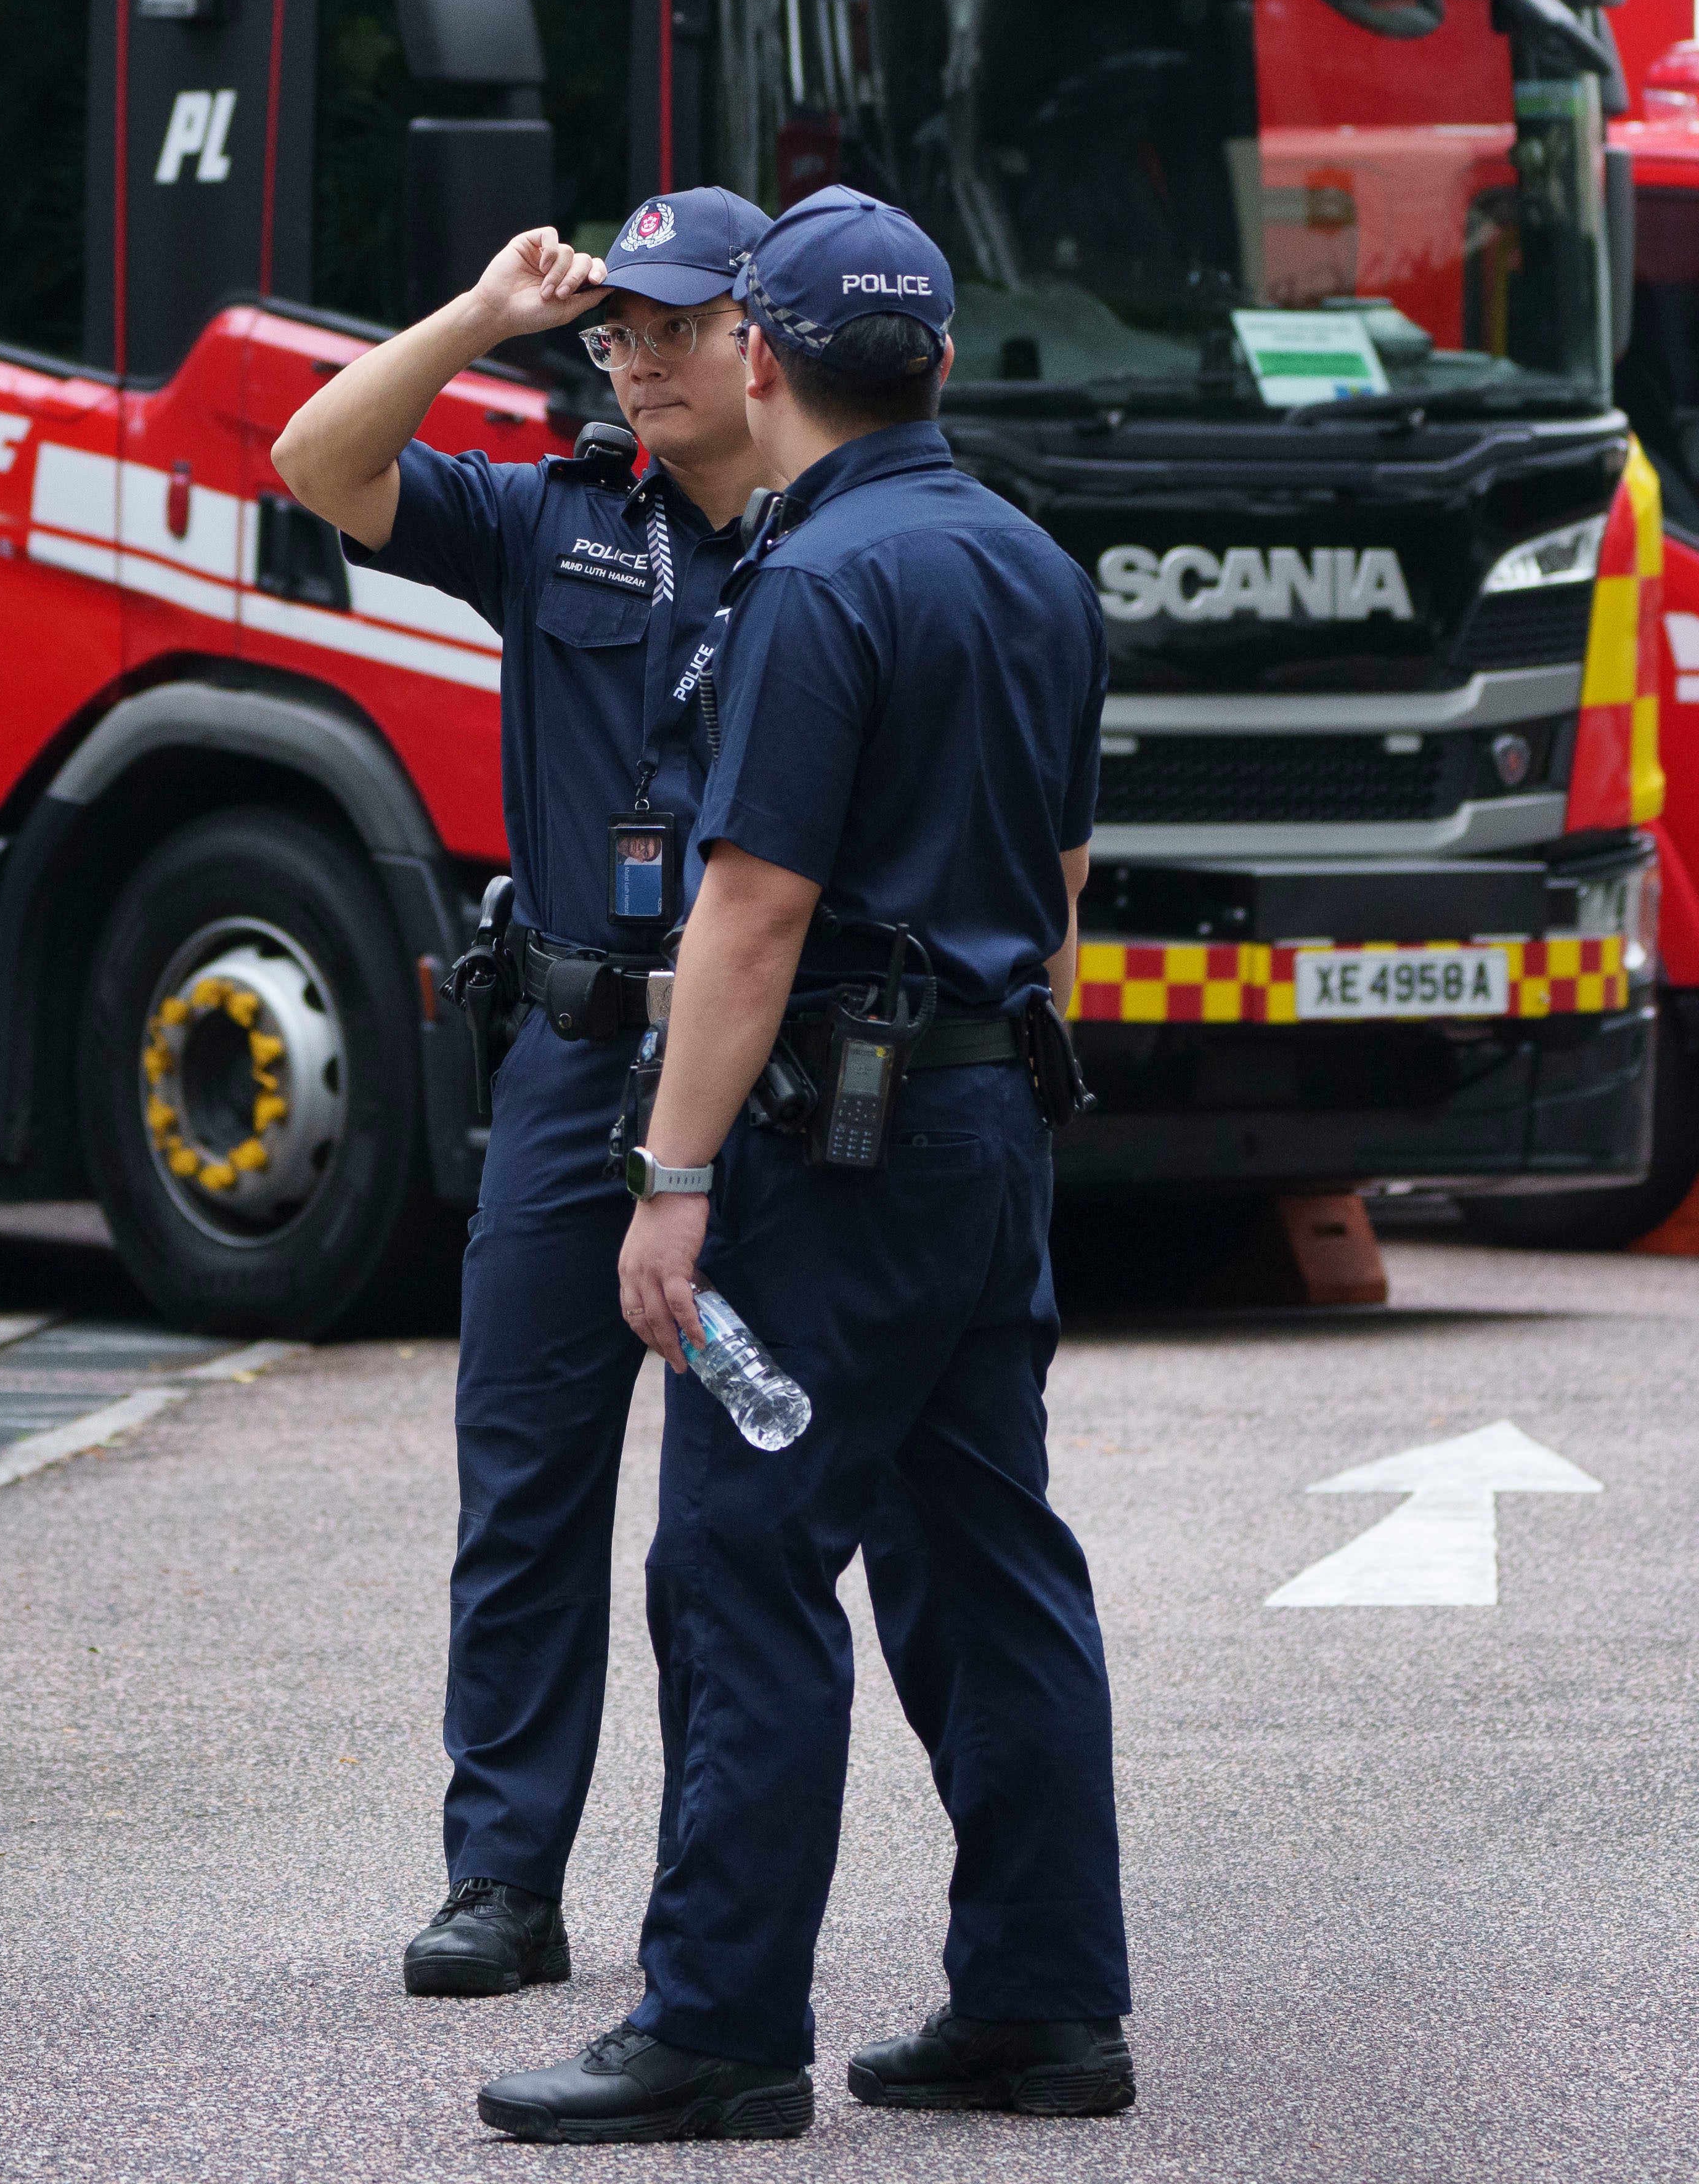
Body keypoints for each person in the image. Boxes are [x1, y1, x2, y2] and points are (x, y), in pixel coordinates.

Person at [473, 185, 1133, 2146]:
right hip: (982, 1120)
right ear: (933, 355)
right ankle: (1041, 2008)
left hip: (825, 1151)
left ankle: (720, 2024)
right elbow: (1069, 877)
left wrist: (669, 1180)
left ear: (760, 358)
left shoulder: (812, 581)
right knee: (990, 1570)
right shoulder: (1028, 563)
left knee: (740, 1572)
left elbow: (752, 910)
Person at [271, 189, 824, 2000]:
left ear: (767, 338)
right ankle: (501, 1878)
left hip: (783, 1070)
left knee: (744, 1510)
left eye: (677, 325)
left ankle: (711, 1887)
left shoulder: (845, 536)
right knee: (524, 1486)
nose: (642, 358)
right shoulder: (559, 517)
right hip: (582, 1053)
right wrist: (476, 315)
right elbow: (317, 462)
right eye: (618, 331)